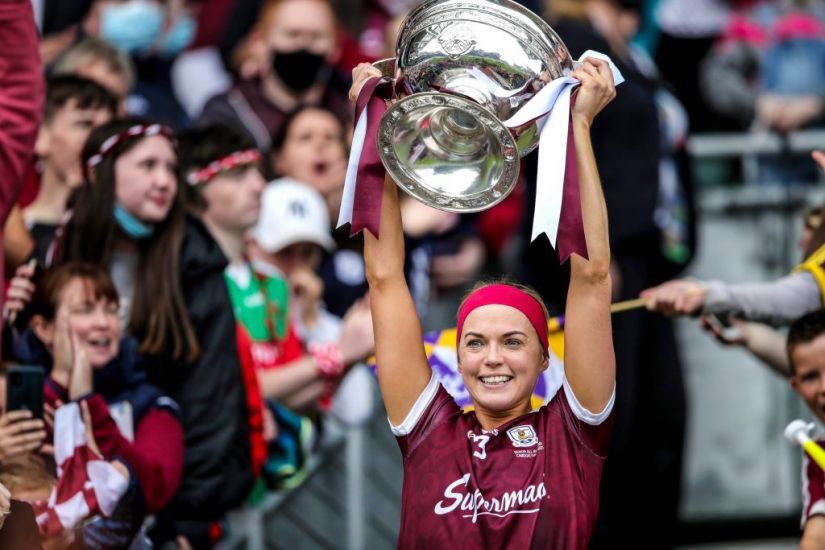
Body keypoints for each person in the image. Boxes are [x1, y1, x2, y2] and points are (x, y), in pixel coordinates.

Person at [353, 55, 616, 547]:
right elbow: (385, 277)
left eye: (512, 341)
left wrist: (578, 126)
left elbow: (593, 277)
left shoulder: (572, 436)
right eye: (476, 343)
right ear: (458, 355)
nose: (492, 357)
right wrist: (378, 127)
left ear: (544, 357)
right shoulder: (428, 432)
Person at [23, 118, 253, 546]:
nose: (165, 180)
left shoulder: (194, 264)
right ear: (101, 171)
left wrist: (188, 523)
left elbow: (210, 404)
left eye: (171, 167)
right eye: (148, 165)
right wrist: (15, 318)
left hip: (161, 507)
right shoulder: (55, 250)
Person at [12, 261, 184, 515]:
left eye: (112, 310)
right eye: (86, 310)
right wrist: (58, 383)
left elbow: (154, 490)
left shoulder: (152, 404)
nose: (104, 322)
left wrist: (87, 401)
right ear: (44, 328)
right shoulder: (17, 394)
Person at [198, 0, 352, 151]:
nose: (303, 46)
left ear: (336, 47)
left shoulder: (352, 114)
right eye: (292, 34)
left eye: (316, 36)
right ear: (259, 41)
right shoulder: (226, 117)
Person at [21, 75, 116, 262]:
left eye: (107, 130)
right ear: (41, 137)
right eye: (84, 124)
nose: (98, 139)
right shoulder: (11, 227)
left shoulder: (120, 237)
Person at [783, 311, 825, 548]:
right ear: (796, 387)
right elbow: (816, 537)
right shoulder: (816, 458)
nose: (824, 387)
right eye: (810, 377)